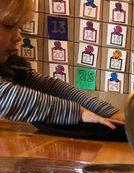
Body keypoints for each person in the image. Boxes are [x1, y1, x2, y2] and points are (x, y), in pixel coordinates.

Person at [0, 0, 123, 128]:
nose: (18, 37)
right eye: (8, 26)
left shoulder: (14, 64)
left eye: (19, 28)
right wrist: (79, 113)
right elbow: (4, 96)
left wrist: (109, 112)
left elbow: (51, 87)